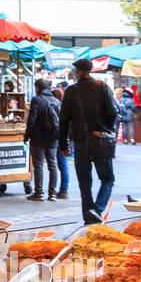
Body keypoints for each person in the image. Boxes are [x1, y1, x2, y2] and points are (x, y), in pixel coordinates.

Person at [58, 59, 119, 224]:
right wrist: (104, 128)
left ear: (77, 71)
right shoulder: (101, 86)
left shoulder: (71, 91)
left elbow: (63, 120)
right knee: (107, 179)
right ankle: (97, 209)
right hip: (99, 140)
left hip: (80, 141)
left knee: (84, 183)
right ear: (90, 70)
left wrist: (63, 145)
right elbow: (113, 112)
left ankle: (89, 216)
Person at [25, 79, 62, 201]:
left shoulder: (37, 100)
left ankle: (39, 193)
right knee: (52, 164)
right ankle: (52, 193)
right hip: (53, 138)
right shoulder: (56, 101)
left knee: (38, 165)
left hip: (38, 137)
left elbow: (32, 119)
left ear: (37, 88)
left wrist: (26, 135)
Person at [49, 86, 70, 199]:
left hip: (56, 138)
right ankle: (64, 189)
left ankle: (60, 189)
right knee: (63, 164)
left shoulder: (53, 106)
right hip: (63, 138)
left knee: (56, 164)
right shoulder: (64, 107)